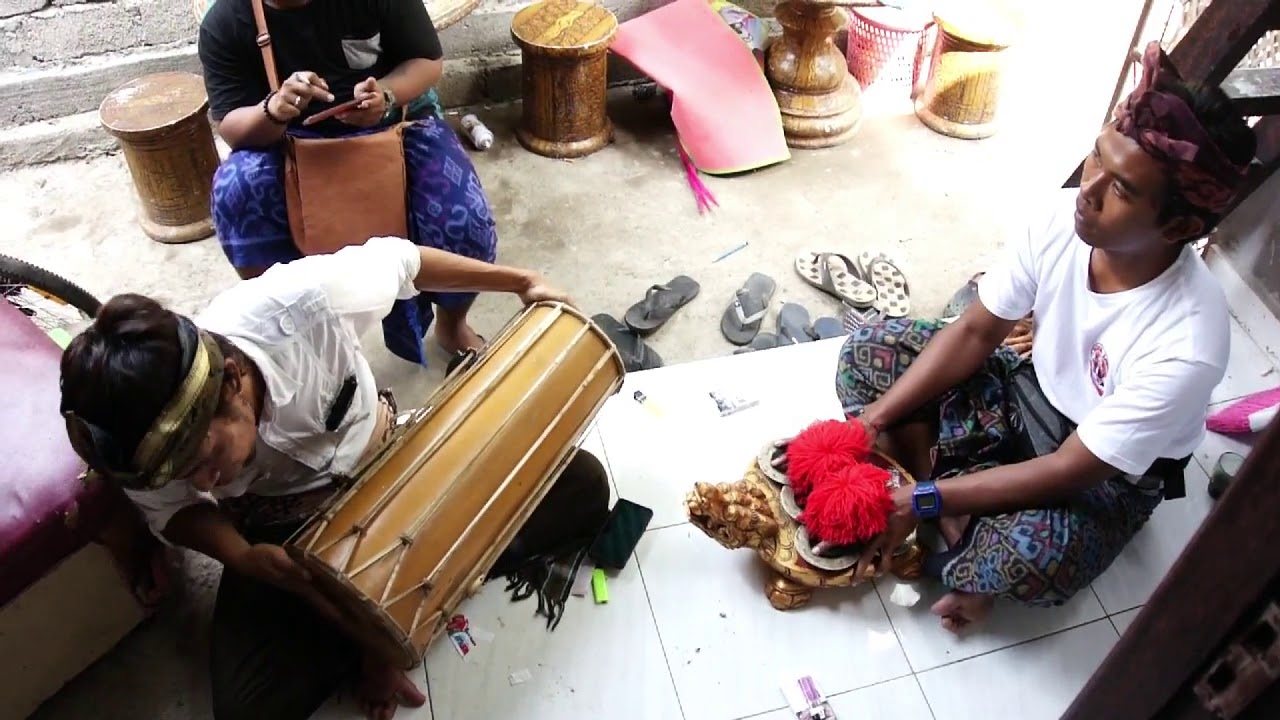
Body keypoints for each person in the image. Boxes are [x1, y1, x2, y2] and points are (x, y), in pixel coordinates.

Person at [58, 238, 611, 720]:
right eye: (183, 473)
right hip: (283, 530)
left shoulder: (301, 306)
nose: (201, 481)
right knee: (248, 709)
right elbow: (170, 509)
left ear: (229, 383)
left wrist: (522, 281)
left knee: (583, 489)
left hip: (400, 461)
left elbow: (405, 262)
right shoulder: (137, 442)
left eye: (206, 457)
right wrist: (242, 556)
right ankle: (392, 606)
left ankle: (409, 595)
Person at [829, 42, 1256, 632]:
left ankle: (942, 505)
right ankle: (953, 522)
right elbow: (978, 331)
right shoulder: (1064, 219)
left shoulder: (1188, 343)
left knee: (1038, 554)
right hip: (1022, 392)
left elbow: (1068, 471)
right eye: (1096, 158)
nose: (1090, 188)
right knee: (867, 356)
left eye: (1123, 189)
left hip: (1102, 473)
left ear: (1180, 226)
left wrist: (917, 502)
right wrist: (872, 421)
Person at [198, 0, 493, 367]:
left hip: (395, 120)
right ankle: (301, 332)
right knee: (234, 195)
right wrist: (272, 109)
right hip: (287, 139)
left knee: (464, 218)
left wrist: (385, 94)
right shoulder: (227, 21)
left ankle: (452, 324)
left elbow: (427, 61)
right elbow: (231, 124)